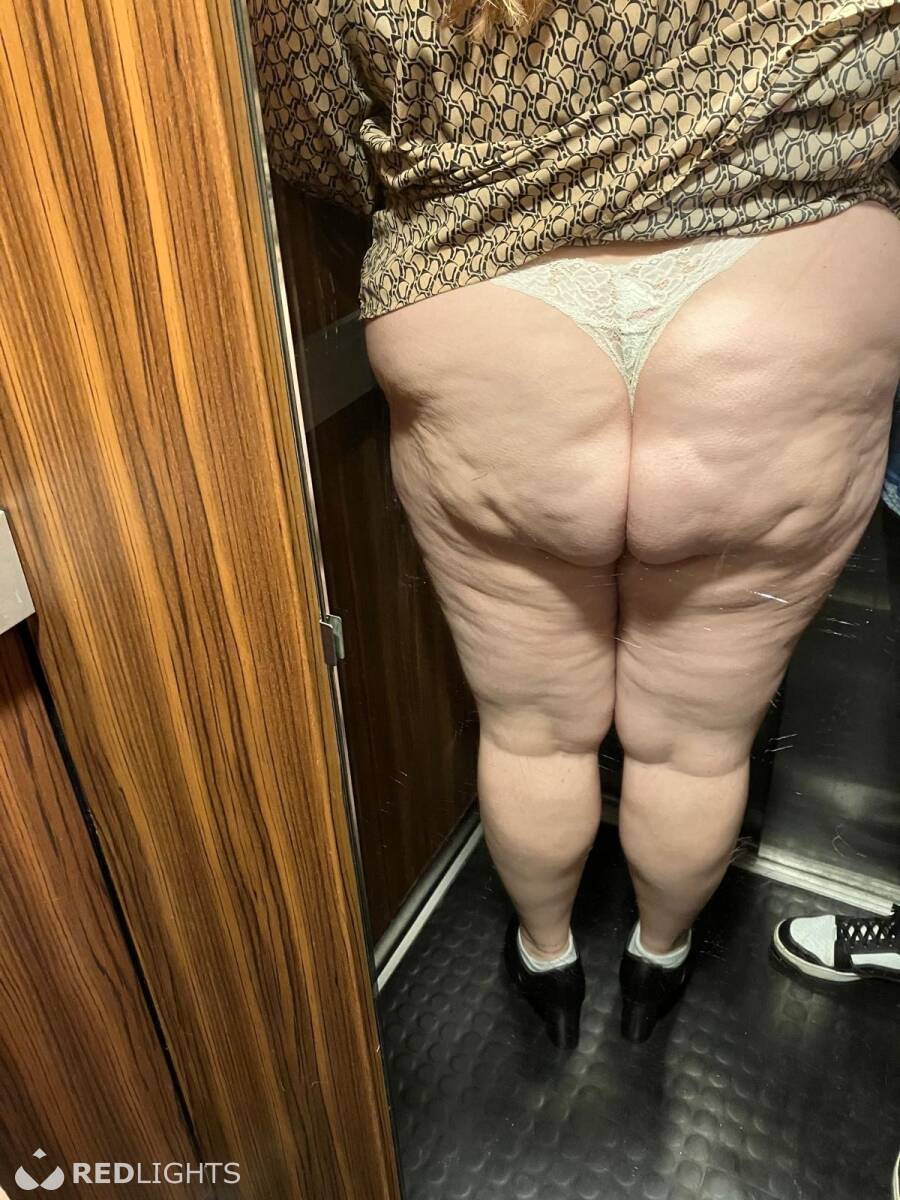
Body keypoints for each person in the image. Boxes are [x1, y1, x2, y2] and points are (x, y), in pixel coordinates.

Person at [248, 0, 900, 1047]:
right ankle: (658, 962)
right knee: (698, 746)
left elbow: (302, 118)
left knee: (530, 729)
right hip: (787, 297)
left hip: (481, 299)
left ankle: (547, 961)